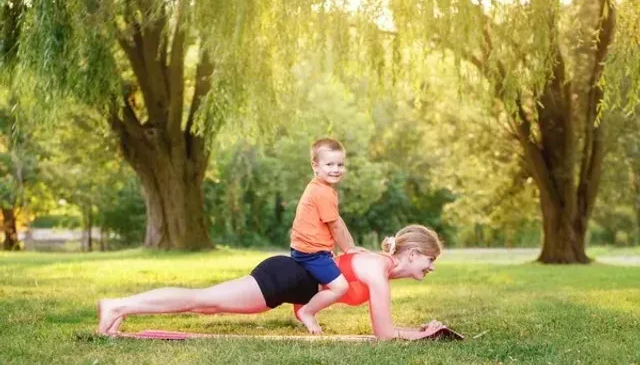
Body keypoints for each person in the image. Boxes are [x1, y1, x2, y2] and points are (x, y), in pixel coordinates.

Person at [97, 224, 444, 341]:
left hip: (285, 281)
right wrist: (424, 335)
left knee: (204, 303)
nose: (431, 268)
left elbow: (385, 326)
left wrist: (418, 329)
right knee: (200, 299)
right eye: (431, 260)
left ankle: (122, 308)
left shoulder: (377, 267)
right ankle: (117, 306)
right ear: (412, 253)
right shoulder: (377, 270)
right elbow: (384, 334)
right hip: (281, 280)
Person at [289, 138, 365, 333]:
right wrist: (347, 249)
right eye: (329, 164)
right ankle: (307, 312)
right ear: (315, 166)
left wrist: (351, 246)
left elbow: (338, 221)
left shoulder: (321, 188)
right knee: (340, 288)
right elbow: (335, 227)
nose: (336, 169)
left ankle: (306, 304)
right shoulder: (322, 193)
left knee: (326, 285)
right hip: (311, 253)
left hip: (312, 250)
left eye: (340, 164)